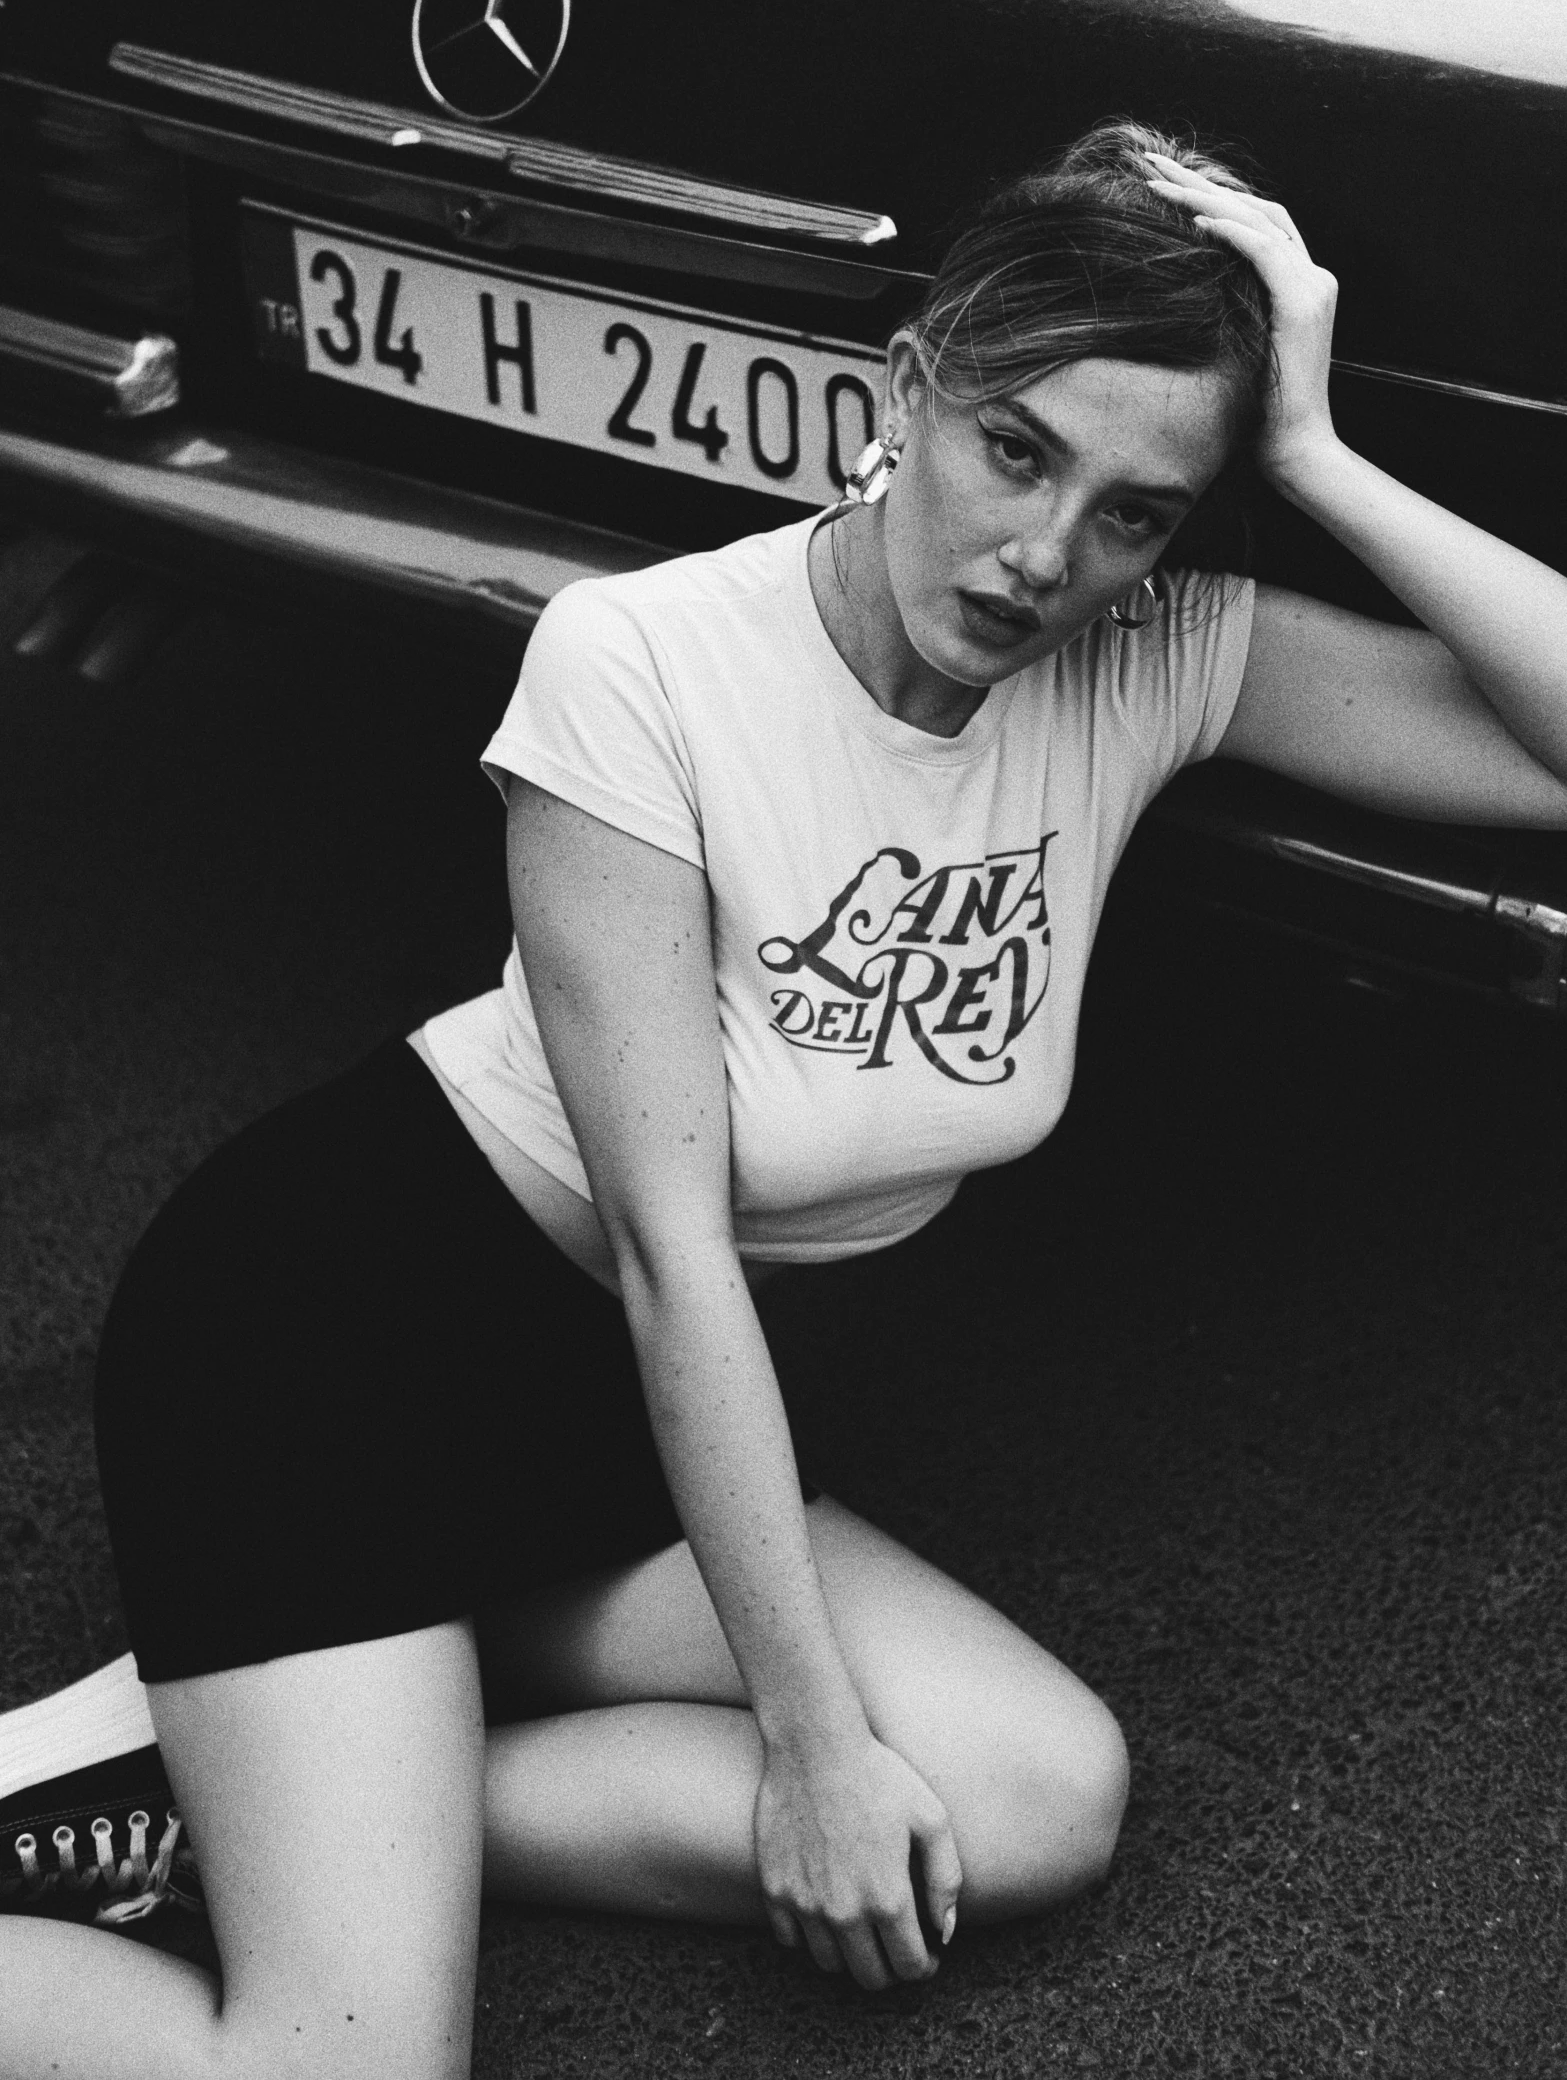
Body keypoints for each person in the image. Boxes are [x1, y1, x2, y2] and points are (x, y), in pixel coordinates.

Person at [5, 120, 1567, 2080]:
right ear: (910, 386)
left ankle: (239, 1792)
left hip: (607, 1416)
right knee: (327, 2061)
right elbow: (675, 1258)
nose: (1046, 553)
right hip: (338, 1346)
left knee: (1027, 1796)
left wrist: (1316, 456)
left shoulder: (1150, 660)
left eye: (1136, 509)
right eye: (1017, 448)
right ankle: (295, 1807)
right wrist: (810, 1746)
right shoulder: (646, 668)